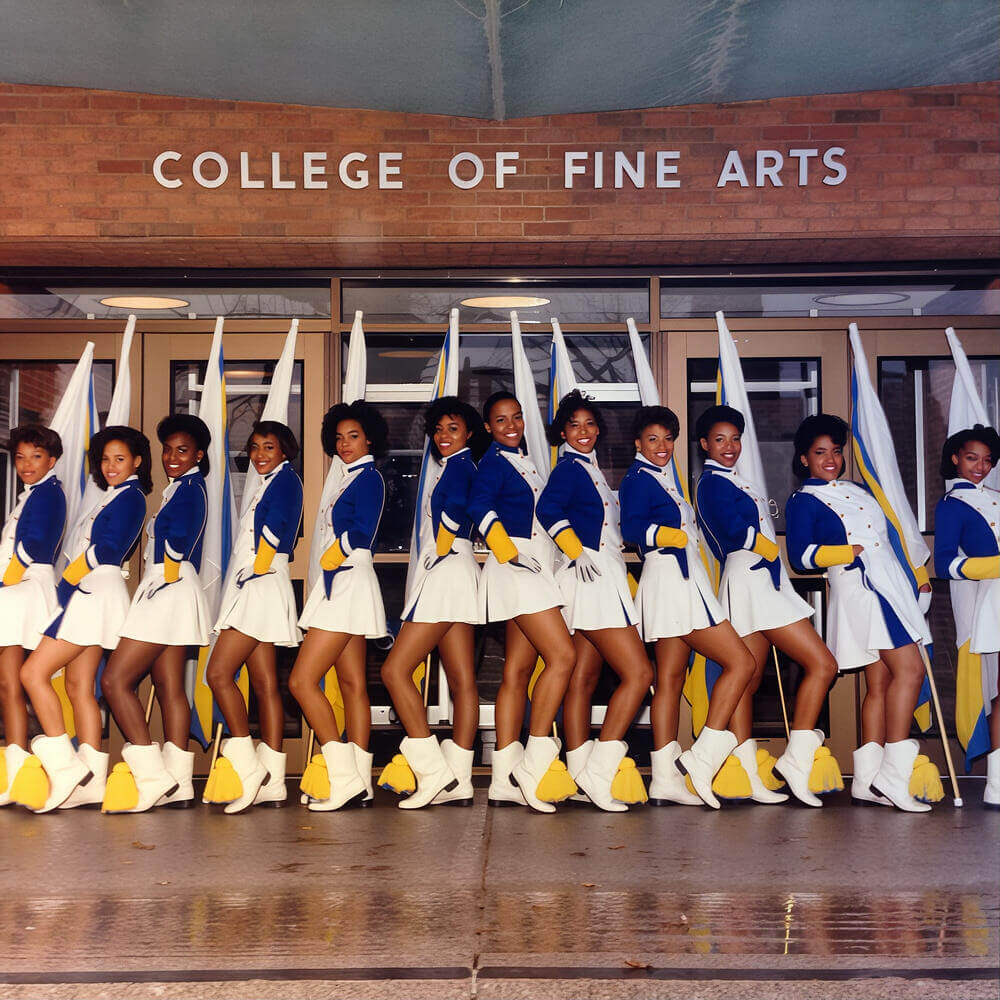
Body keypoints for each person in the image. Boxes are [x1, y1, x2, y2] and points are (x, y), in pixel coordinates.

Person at [785, 414, 933, 812]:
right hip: (862, 587)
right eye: (820, 453)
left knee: (881, 682)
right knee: (911, 671)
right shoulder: (804, 500)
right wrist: (845, 554)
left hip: (890, 584)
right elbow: (799, 556)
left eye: (835, 451)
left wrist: (916, 573)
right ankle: (893, 776)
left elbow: (894, 536)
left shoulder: (859, 490)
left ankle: (866, 781)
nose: (830, 459)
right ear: (804, 460)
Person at [694, 404, 840, 807]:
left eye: (735, 439)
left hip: (761, 578)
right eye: (720, 439)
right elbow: (732, 531)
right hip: (750, 578)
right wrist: (766, 547)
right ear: (705, 444)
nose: (730, 446)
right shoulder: (710, 482)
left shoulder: (736, 480)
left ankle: (748, 776)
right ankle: (790, 761)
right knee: (823, 664)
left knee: (749, 681)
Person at [618, 405, 756, 809]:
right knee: (742, 663)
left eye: (667, 438)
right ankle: (702, 757)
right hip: (672, 583)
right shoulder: (638, 478)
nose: (662, 446)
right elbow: (631, 528)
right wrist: (666, 534)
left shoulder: (663, 478)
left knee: (671, 680)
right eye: (652, 439)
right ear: (638, 443)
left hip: (679, 582)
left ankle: (663, 779)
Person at [19, 426, 150, 812]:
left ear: (137, 462)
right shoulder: (113, 496)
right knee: (77, 685)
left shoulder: (131, 498)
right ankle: (90, 780)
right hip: (93, 591)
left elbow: (107, 549)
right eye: (106, 459)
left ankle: (63, 767)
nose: (111, 466)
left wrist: (71, 578)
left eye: (120, 459)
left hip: (92, 592)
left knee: (32, 674)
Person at [535, 390, 652, 811]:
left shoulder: (592, 468)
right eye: (573, 426)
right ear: (562, 432)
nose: (582, 432)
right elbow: (547, 509)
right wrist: (575, 548)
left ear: (598, 429)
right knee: (639, 672)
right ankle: (598, 772)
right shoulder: (568, 467)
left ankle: (581, 766)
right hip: (589, 577)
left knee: (583, 678)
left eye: (588, 425)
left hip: (601, 576)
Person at [466, 391, 576, 813]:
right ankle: (535, 763)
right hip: (516, 565)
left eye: (516, 418)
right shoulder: (492, 462)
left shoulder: (521, 458)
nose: (511, 425)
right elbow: (479, 504)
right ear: (488, 428)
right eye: (500, 420)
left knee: (517, 669)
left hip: (532, 565)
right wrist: (506, 549)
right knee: (563, 657)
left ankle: (502, 778)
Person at [101, 414, 211, 812]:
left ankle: (153, 777)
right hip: (171, 587)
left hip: (168, 587)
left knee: (116, 680)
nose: (171, 457)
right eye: (167, 449)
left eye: (181, 450)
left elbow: (178, 542)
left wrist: (164, 577)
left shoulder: (191, 489)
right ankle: (180, 783)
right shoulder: (182, 487)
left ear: (199, 454)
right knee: (168, 687)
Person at [380, 397, 486, 809]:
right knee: (462, 681)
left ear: (469, 433)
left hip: (446, 571)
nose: (444, 436)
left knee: (394, 670)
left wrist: (442, 543)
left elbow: (459, 507)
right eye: (439, 429)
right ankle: (458, 780)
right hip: (455, 570)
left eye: (453, 428)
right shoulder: (455, 465)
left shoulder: (460, 467)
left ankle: (432, 770)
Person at [290, 401, 388, 811]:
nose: (345, 444)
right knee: (351, 684)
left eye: (353, 436)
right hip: (343, 580)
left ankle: (344, 777)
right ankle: (360, 781)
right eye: (339, 437)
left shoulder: (370, 477)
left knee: (301, 681)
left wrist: (333, 555)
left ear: (369, 439)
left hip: (348, 578)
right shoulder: (347, 478)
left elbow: (361, 533)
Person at [205, 420, 303, 814]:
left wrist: (256, 572)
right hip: (258, 582)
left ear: (284, 451)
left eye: (269, 447)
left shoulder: (285, 481)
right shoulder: (268, 481)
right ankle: (275, 780)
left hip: (260, 584)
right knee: (263, 683)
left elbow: (279, 531)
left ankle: (249, 770)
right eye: (255, 447)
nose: (260, 455)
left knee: (218, 674)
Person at [933, 424, 1000, 807]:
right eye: (972, 458)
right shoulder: (951, 505)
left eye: (988, 460)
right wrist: (994, 567)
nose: (981, 466)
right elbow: (945, 564)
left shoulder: (996, 496)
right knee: (995, 694)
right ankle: (995, 784)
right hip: (989, 604)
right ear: (956, 458)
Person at [0, 425, 66, 807]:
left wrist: (5, 583)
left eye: (36, 457)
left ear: (52, 461)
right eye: (21, 457)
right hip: (15, 588)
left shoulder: (49, 493)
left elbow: (36, 543)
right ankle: (16, 771)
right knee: (9, 683)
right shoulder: (32, 493)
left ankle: (49, 766)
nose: (26, 464)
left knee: (21, 680)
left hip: (23, 587)